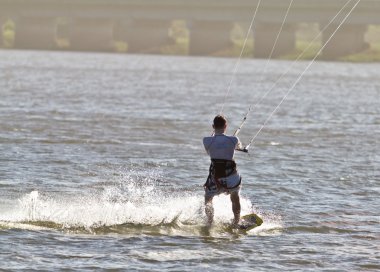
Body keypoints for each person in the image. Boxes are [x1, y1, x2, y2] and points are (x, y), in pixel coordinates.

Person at [203, 115, 243, 226]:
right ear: (226, 126)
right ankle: (236, 222)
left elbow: (210, 147)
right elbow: (239, 147)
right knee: (235, 197)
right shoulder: (234, 139)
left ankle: (210, 223)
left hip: (216, 178)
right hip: (232, 177)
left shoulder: (206, 140)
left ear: (213, 126)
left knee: (208, 199)